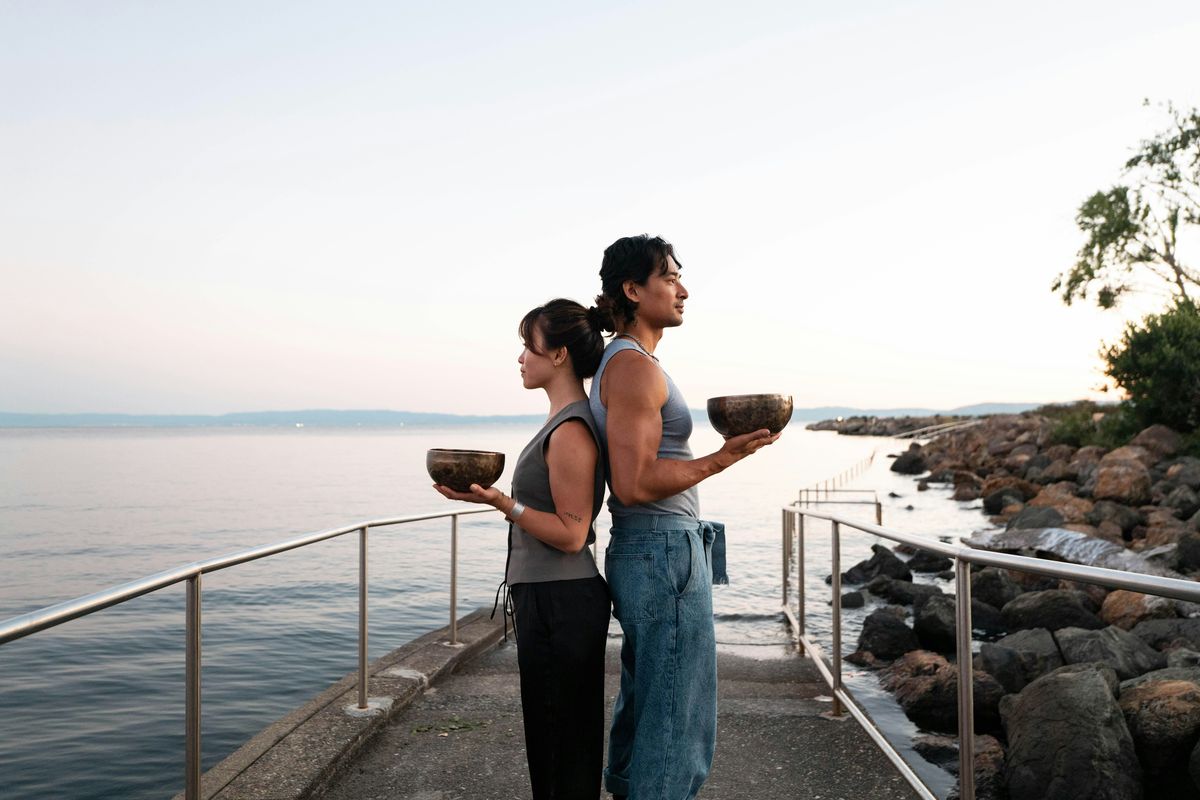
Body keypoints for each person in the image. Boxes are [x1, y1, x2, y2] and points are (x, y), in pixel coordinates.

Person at [588, 234, 778, 800]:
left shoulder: (631, 364)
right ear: (632, 289)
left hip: (656, 548)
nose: (683, 290)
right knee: (678, 718)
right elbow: (635, 483)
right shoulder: (632, 368)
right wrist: (724, 457)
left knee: (650, 702)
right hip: (661, 550)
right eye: (670, 278)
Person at [433, 298, 611, 800]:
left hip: (563, 600)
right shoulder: (562, 421)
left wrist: (500, 503)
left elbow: (574, 533)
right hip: (550, 598)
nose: (520, 359)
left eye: (526, 347)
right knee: (554, 738)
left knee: (561, 742)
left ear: (557, 355)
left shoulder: (572, 430)